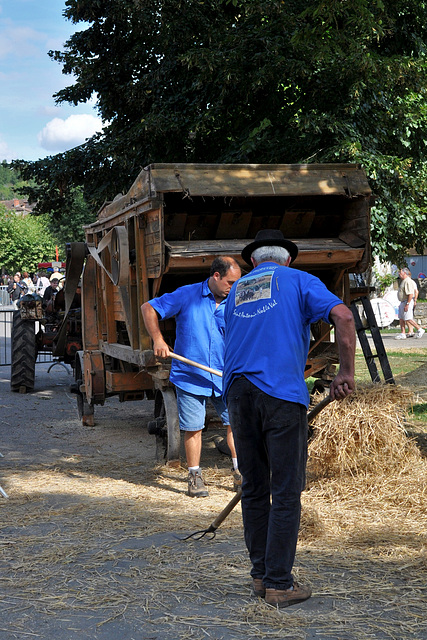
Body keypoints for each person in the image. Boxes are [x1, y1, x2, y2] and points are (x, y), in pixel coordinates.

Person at [222, 229, 356, 609]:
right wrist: (345, 373)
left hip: (238, 392)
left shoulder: (236, 291)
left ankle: (261, 577)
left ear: (251, 262)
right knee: (284, 492)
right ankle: (280, 584)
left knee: (253, 488)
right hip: (279, 393)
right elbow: (343, 316)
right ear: (288, 259)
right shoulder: (298, 280)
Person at [141, 256, 242, 498]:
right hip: (191, 375)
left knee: (235, 425)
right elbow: (149, 308)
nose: (233, 287)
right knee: (193, 428)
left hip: (226, 374)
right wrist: (158, 339)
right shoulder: (188, 295)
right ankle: (194, 475)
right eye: (230, 282)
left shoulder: (238, 300)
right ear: (215, 276)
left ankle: (241, 472)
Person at [395, 267, 424, 339]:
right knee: (401, 318)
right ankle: (403, 333)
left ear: (405, 273)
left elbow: (411, 294)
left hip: (406, 301)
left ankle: (420, 329)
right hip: (403, 301)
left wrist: (407, 303)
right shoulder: (404, 281)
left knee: (408, 318)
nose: (399, 274)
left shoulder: (408, 281)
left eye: (400, 272)